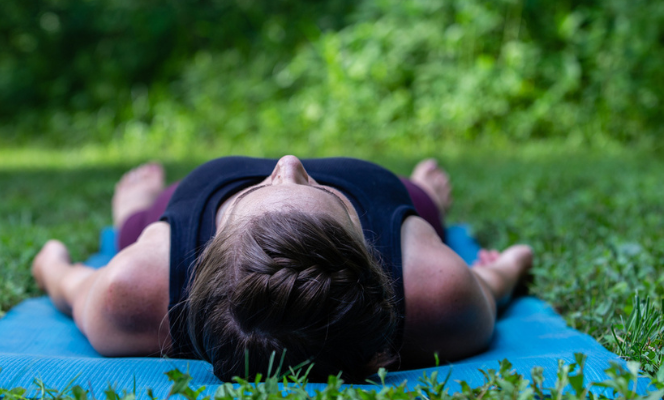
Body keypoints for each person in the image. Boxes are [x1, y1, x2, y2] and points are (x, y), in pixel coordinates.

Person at [32, 155, 533, 382]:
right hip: (371, 187)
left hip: (205, 190)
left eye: (268, 185)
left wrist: (52, 263)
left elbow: (70, 283)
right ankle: (426, 192)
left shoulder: (132, 289)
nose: (288, 160)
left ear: (206, 255)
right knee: (426, 208)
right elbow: (492, 285)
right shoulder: (440, 294)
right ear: (369, 253)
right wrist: (508, 265)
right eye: (317, 191)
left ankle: (134, 209)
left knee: (138, 229)